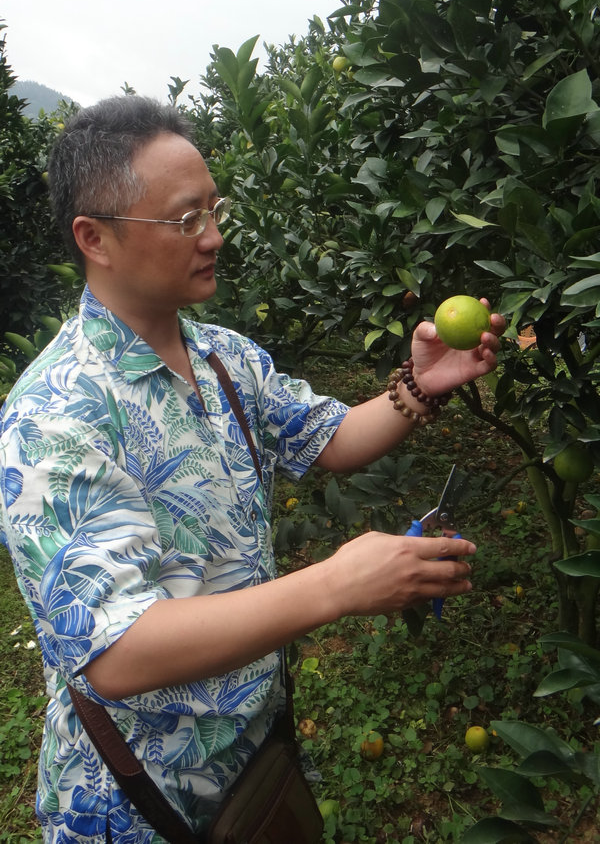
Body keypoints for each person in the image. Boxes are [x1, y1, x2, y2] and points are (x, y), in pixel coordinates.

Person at [0, 95, 504, 843]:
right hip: (137, 800)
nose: (213, 236)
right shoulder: (53, 414)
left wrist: (420, 386)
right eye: (185, 219)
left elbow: (330, 437)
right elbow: (116, 651)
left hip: (252, 754)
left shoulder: (223, 356)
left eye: (214, 209)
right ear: (94, 237)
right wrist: (335, 585)